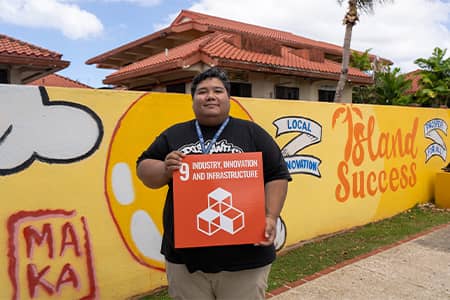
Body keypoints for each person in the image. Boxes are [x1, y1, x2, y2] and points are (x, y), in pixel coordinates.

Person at [137, 67, 291, 299]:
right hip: (185, 258)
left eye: (218, 91)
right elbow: (143, 167)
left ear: (229, 98)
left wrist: (270, 216)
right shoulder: (174, 134)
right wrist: (164, 169)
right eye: (202, 92)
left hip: (246, 258)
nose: (210, 96)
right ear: (192, 101)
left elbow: (277, 174)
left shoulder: (252, 132)